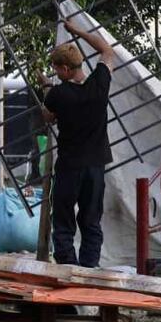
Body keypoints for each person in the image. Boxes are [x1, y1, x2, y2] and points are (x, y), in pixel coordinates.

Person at [41, 19, 115, 268]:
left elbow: (48, 116)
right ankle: (89, 269)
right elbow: (107, 50)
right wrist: (77, 31)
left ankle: (67, 267)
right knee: (91, 220)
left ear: (65, 69)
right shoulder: (100, 84)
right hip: (96, 164)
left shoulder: (58, 94)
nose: (56, 73)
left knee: (63, 220)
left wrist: (45, 88)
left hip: (70, 165)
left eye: (56, 69)